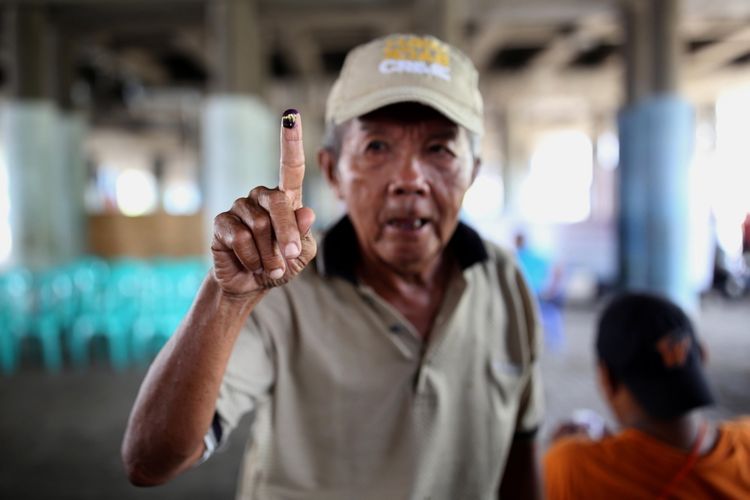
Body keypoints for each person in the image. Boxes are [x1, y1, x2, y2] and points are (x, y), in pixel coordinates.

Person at [122, 33, 543, 499]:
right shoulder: (283, 288)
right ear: (332, 171)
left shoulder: (504, 283)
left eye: (440, 149)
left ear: (473, 173)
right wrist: (228, 297)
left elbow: (519, 456)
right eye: (377, 147)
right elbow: (150, 459)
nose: (409, 180)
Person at [544, 292, 750, 499]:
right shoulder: (745, 440)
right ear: (703, 357)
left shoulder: (572, 468)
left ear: (606, 378)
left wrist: (568, 451)